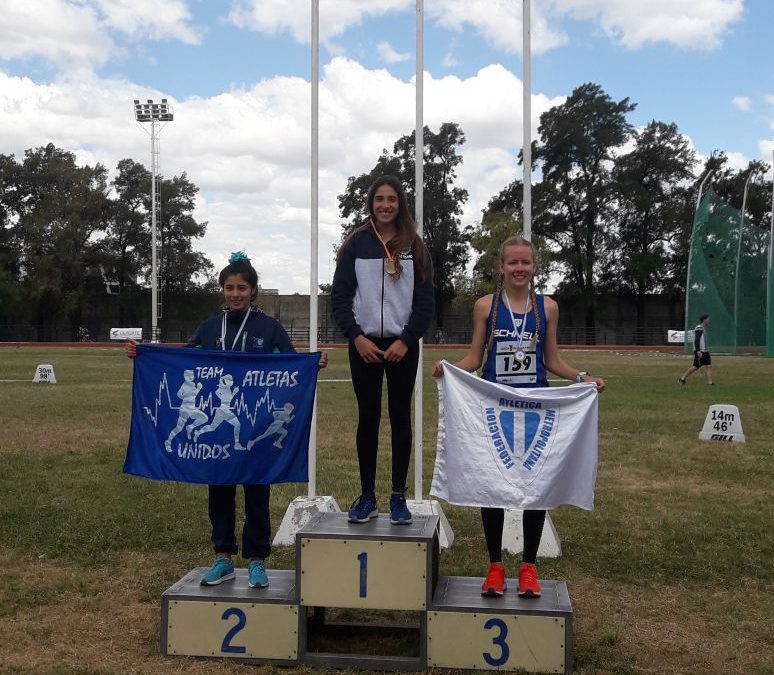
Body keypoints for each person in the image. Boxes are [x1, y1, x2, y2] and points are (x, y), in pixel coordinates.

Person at [127, 252, 327, 589]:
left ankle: (257, 560)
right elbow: (182, 360)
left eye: (242, 288)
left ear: (253, 291)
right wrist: (145, 353)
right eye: (229, 288)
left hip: (252, 423)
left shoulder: (268, 328)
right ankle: (222, 556)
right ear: (222, 290)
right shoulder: (209, 328)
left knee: (256, 492)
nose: (235, 294)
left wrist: (311, 365)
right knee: (219, 491)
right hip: (217, 433)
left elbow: (289, 367)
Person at [432, 234, 605, 599]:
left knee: (536, 487)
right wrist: (449, 369)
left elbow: (552, 360)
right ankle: (494, 566)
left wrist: (581, 378)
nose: (519, 268)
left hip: (536, 408)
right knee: (491, 485)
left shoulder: (548, 307)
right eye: (513, 262)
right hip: (494, 407)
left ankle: (528, 567)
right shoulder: (485, 307)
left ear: (534, 266)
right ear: (501, 267)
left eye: (526, 262)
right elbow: (475, 358)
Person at [331, 175, 434, 525]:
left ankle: (398, 497)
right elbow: (340, 297)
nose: (385, 205)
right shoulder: (356, 244)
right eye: (379, 199)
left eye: (391, 199)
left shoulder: (415, 246)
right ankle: (367, 496)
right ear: (371, 203)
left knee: (400, 416)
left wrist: (406, 340)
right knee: (369, 417)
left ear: (400, 203)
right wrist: (356, 337)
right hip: (364, 345)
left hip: (402, 346)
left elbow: (425, 301)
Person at [679, 314, 713, 385]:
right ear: (704, 320)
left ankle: (710, 383)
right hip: (700, 351)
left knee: (708, 366)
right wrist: (698, 351)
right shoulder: (699, 328)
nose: (709, 321)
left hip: (705, 351)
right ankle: (682, 379)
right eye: (708, 319)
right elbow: (696, 340)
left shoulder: (703, 328)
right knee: (696, 366)